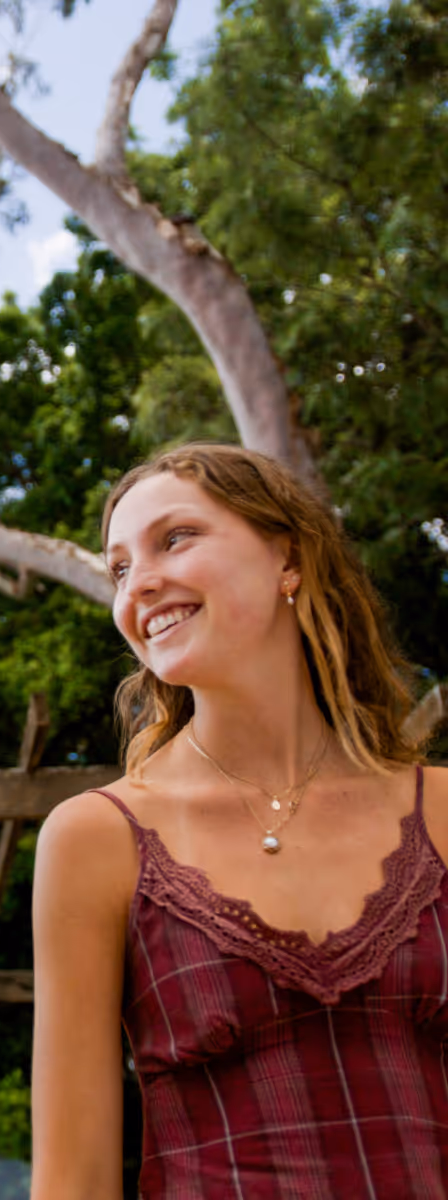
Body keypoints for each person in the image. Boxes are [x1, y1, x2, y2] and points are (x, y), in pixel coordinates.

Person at [31, 443, 448, 1199]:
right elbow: (74, 1180)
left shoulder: (444, 814)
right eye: (119, 568)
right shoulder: (96, 839)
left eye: (174, 538)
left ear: (287, 557)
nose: (140, 584)